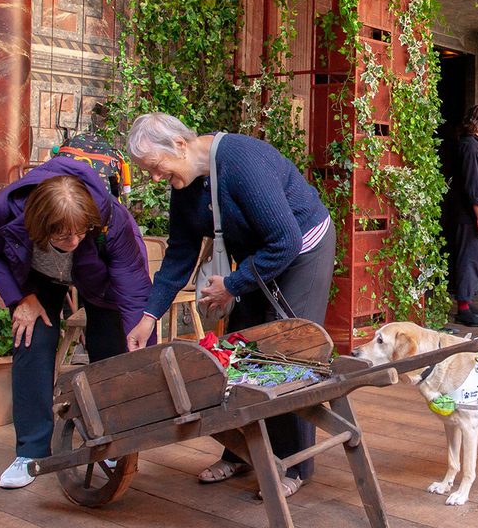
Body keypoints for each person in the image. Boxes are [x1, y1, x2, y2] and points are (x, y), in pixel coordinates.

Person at [123, 113, 335, 496]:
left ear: (180, 146)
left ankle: (295, 465)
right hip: (261, 256)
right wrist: (148, 316)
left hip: (302, 248)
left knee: (286, 351)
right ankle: (239, 451)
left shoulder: (241, 162)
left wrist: (233, 285)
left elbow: (284, 241)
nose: (155, 178)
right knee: (239, 346)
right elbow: (180, 254)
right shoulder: (185, 184)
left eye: (155, 167)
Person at [0, 158, 152, 489]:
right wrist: (19, 298)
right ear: (39, 225)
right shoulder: (6, 209)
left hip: (97, 278)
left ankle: (111, 437)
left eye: (79, 232)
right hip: (38, 277)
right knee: (31, 338)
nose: (72, 241)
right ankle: (31, 451)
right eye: (62, 235)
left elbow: (132, 288)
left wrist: (140, 341)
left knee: (112, 342)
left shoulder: (111, 221)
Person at [441, 104, 478, 327]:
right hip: (468, 214)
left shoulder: (473, 144)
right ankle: (463, 307)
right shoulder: (469, 146)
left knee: (473, 258)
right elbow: (472, 184)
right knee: (468, 259)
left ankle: (467, 299)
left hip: (468, 213)